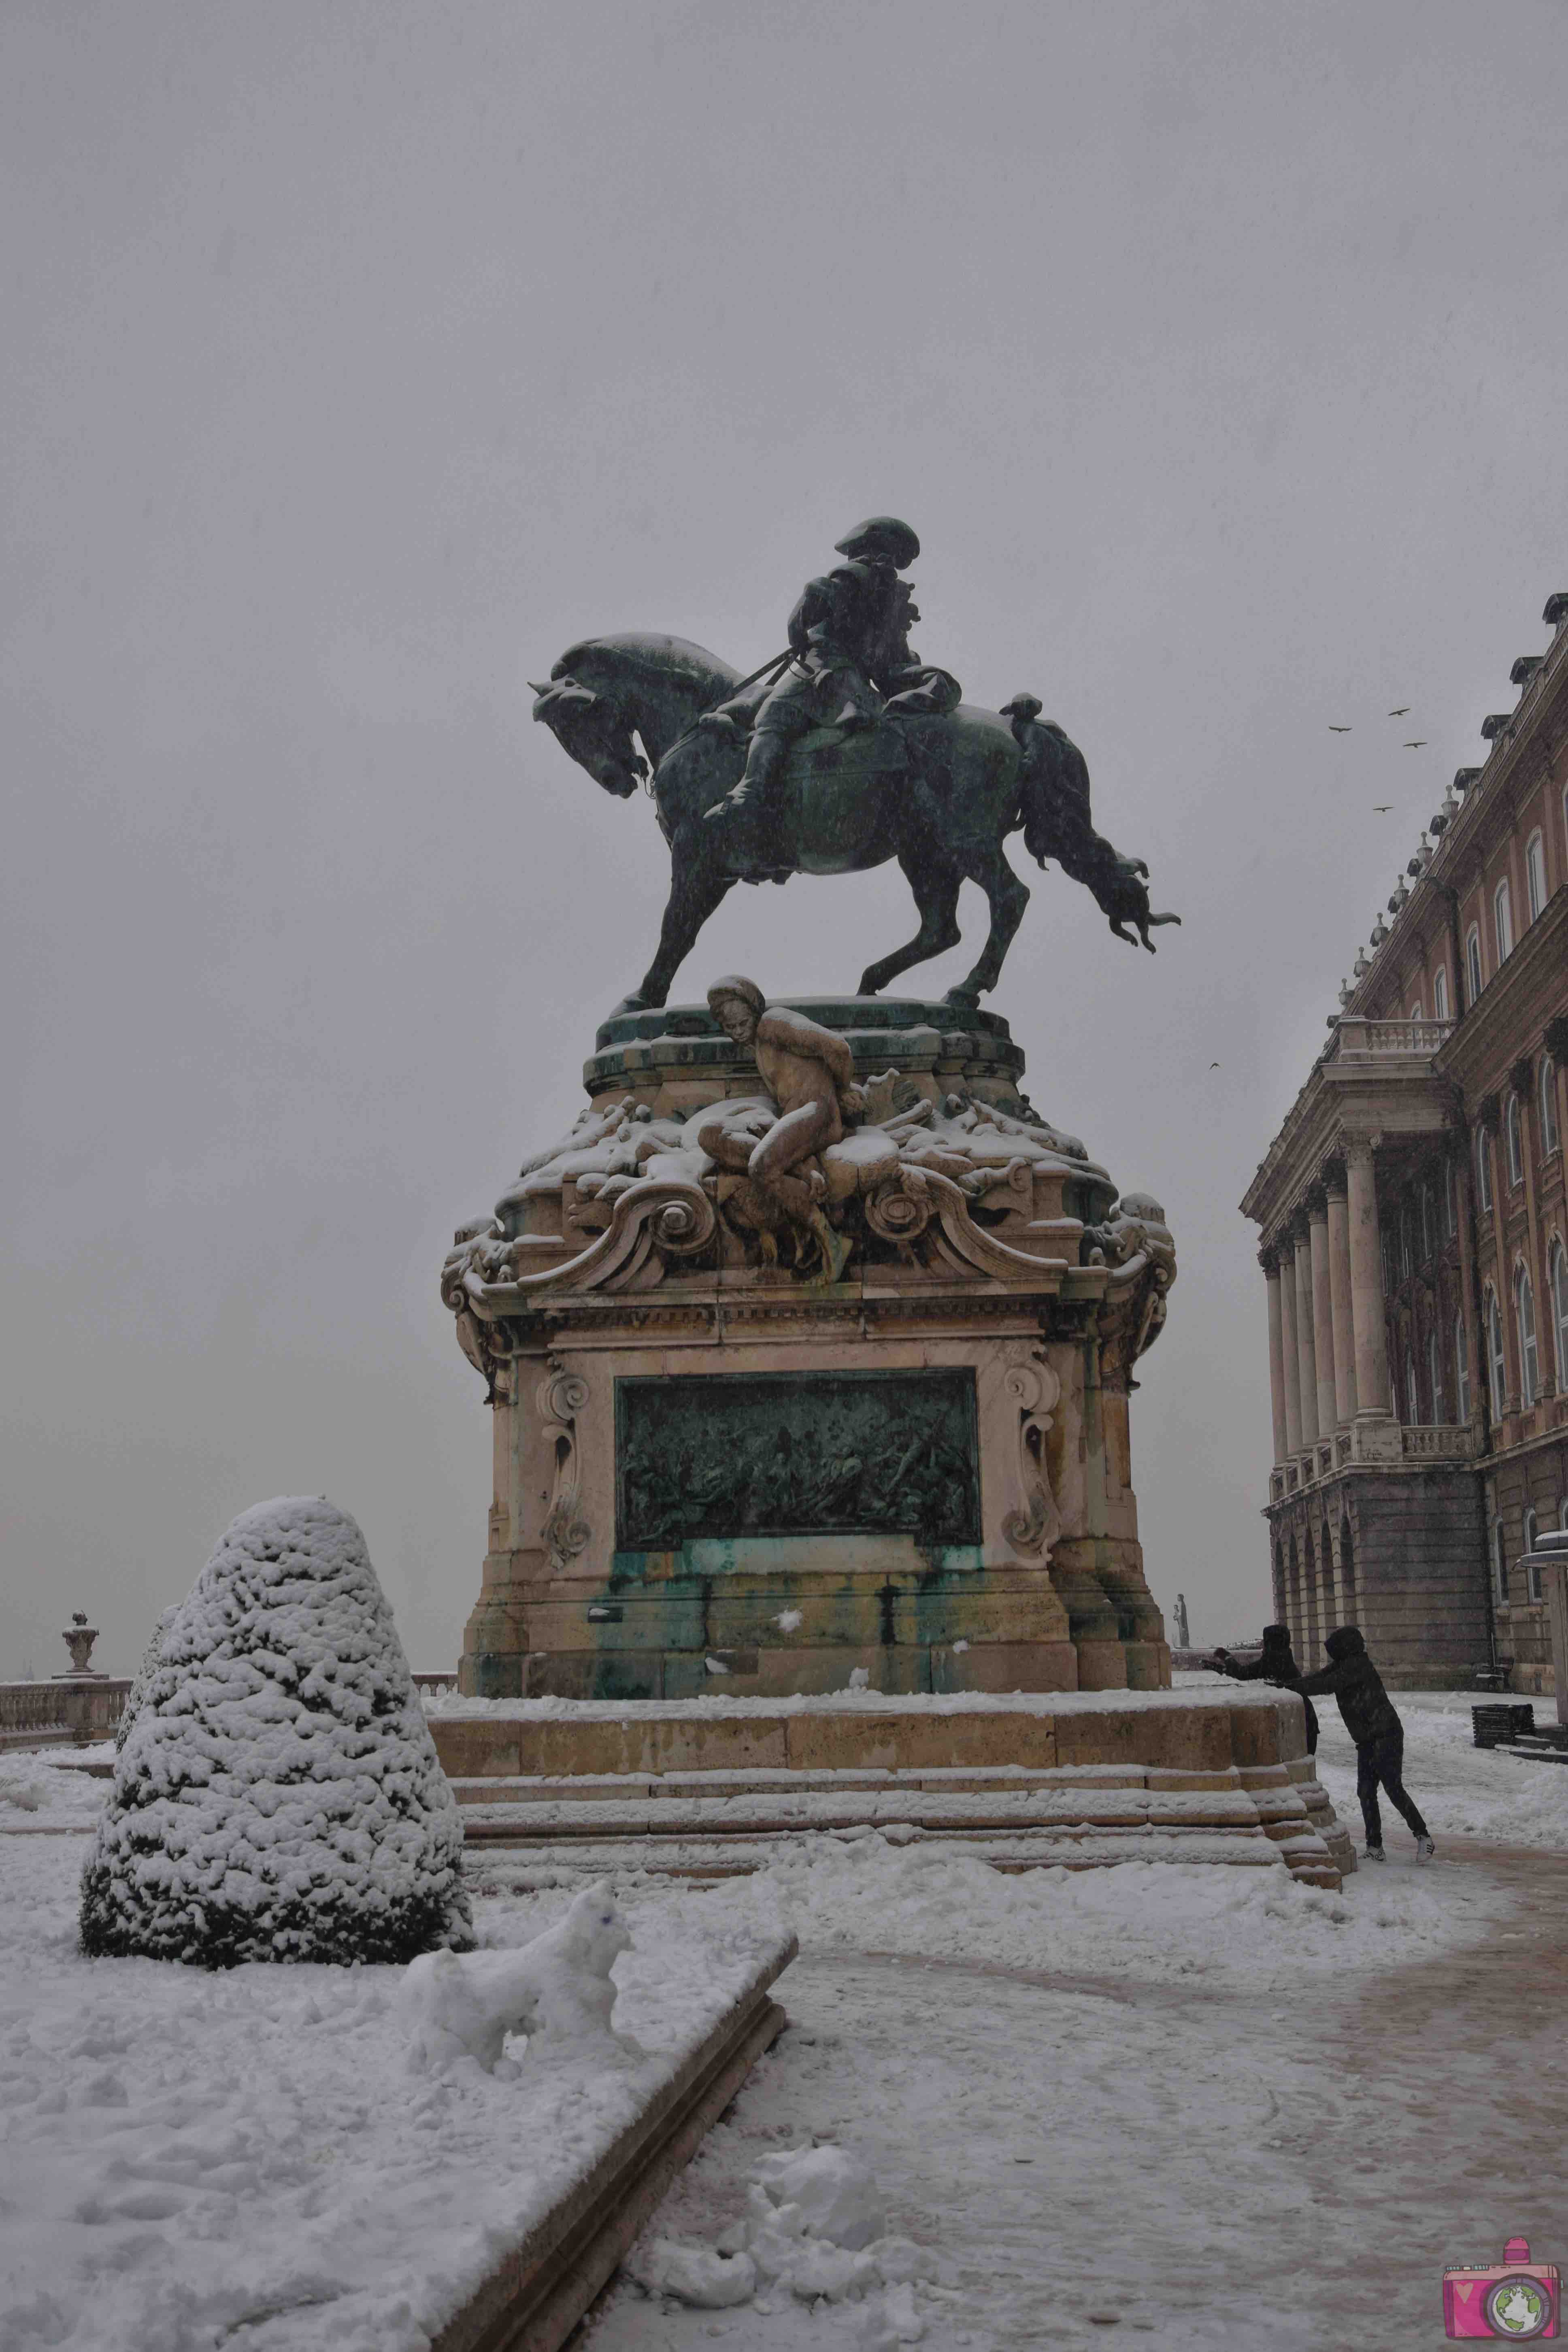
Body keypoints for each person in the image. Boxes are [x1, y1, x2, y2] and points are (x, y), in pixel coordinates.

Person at [701, 517, 957, 875]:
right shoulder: (893, 594)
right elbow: (891, 656)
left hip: (827, 670)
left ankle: (749, 793)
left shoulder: (851, 575)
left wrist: (811, 599)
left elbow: (799, 629)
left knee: (773, 714)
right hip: (858, 677)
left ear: (862, 547)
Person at [1295, 1625, 1434, 1864]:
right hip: (1367, 1739)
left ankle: (1424, 1837)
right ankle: (1375, 1846)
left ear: (1346, 1647)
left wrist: (1290, 1687)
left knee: (1393, 1788)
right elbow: (1317, 1678)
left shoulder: (1357, 1666)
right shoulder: (1346, 1664)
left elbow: (1323, 1686)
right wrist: (1286, 1684)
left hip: (1386, 1734)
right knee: (1366, 1792)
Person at [1208, 1623, 1319, 1756]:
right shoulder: (1285, 1657)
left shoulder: (1273, 1660)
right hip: (1305, 1718)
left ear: (1270, 1642)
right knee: (1303, 1764)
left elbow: (1243, 1673)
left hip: (1297, 1719)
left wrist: (1226, 1657)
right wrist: (1222, 1669)